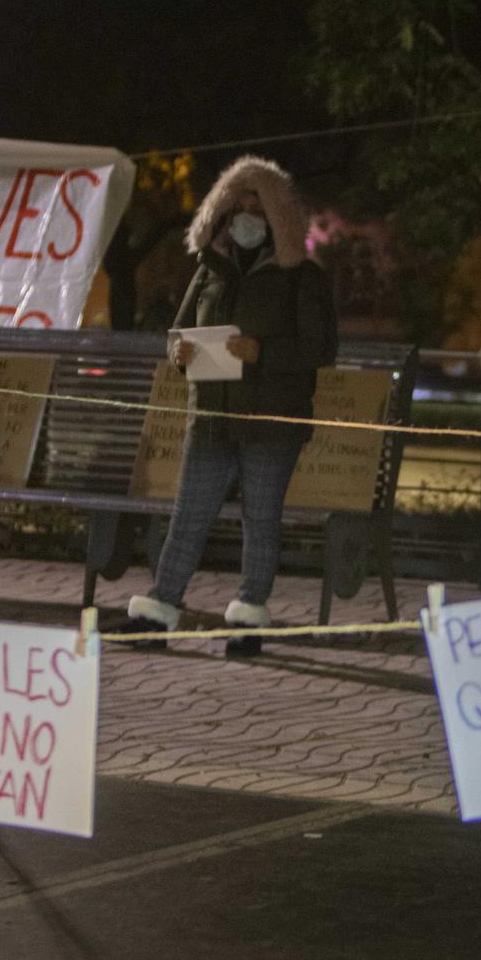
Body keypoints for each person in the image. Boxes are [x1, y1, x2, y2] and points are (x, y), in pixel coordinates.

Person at [120, 156, 337, 657]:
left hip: (270, 422)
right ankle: (159, 609)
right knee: (188, 516)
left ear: (280, 211)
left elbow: (320, 348)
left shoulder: (302, 276)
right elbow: (178, 331)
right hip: (213, 417)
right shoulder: (209, 267)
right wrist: (179, 351)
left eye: (257, 201)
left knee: (260, 519)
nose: (245, 210)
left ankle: (248, 617)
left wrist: (263, 353)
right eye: (237, 200)